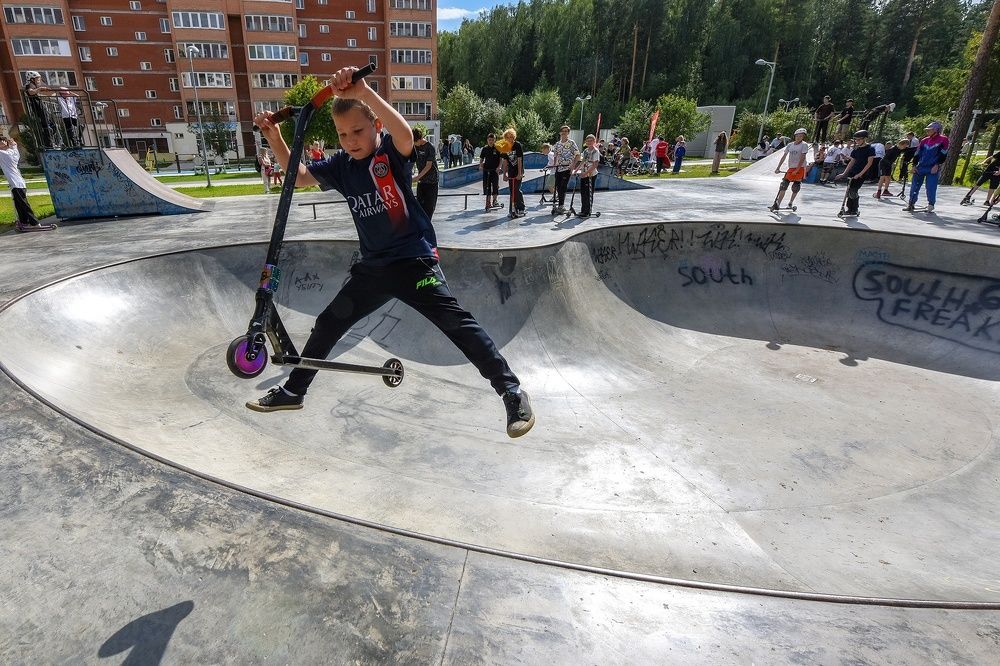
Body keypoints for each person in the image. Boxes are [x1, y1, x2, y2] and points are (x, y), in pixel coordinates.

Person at [246, 66, 534, 438]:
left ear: (375, 126)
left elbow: (404, 134)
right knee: (329, 323)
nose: (350, 141)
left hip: (414, 262)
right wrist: (274, 136)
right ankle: (294, 391)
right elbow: (297, 175)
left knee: (456, 324)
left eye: (358, 131)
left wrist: (364, 93)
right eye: (342, 134)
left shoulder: (389, 154)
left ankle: (511, 392)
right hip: (374, 270)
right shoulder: (342, 166)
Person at [0, 134, 56, 232]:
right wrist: (14, 145)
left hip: (16, 183)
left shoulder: (4, 154)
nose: (2, 142)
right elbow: (14, 148)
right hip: (18, 183)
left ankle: (35, 223)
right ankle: (24, 222)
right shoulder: (13, 152)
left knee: (23, 205)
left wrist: (11, 144)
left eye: (2, 141)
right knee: (19, 205)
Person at [904, 120, 949, 213]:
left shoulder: (943, 139)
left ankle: (931, 204)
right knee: (915, 186)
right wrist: (914, 165)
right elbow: (917, 153)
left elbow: (944, 154)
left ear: (936, 130)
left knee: (931, 187)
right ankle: (911, 203)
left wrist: (937, 165)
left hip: (932, 167)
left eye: (930, 129)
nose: (927, 131)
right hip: (921, 166)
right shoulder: (924, 140)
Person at [835, 130, 876, 217]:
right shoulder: (856, 149)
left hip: (862, 173)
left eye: (859, 139)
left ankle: (855, 209)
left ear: (864, 139)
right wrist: (844, 173)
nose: (857, 141)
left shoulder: (870, 149)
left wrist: (860, 174)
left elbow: (869, 163)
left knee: (853, 191)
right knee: (849, 190)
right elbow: (852, 162)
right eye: (856, 140)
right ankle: (849, 209)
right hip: (853, 172)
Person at [769, 128, 810, 211]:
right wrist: (778, 167)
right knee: (783, 185)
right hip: (791, 167)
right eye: (797, 136)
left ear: (803, 137)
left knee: (796, 186)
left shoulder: (804, 145)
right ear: (795, 136)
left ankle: (790, 202)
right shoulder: (790, 145)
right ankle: (778, 204)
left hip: (800, 168)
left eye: (801, 136)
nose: (799, 137)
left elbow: (802, 158)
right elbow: (784, 156)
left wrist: (797, 169)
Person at [551, 125, 580, 214]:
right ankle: (558, 204)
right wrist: (554, 165)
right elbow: (555, 155)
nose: (564, 133)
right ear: (560, 132)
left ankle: (561, 205)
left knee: (563, 186)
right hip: (558, 168)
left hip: (567, 168)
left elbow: (577, 155)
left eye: (566, 131)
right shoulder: (557, 144)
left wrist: (573, 166)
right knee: (558, 186)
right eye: (562, 131)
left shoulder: (571, 143)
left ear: (568, 133)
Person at [22, 71, 54, 149]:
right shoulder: (29, 85)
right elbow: (31, 92)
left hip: (39, 106)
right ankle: (49, 144)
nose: (39, 81)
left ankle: (50, 141)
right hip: (37, 107)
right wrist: (40, 88)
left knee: (50, 124)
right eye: (37, 79)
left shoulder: (33, 85)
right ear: (32, 79)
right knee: (46, 124)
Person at [412, 127, 439, 219]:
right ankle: (421, 225)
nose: (414, 144)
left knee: (429, 207)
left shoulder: (430, 147)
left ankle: (428, 224)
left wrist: (417, 177)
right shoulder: (414, 146)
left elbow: (428, 166)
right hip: (422, 181)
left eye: (415, 142)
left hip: (432, 181)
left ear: (420, 138)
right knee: (420, 206)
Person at [499, 128, 525, 218]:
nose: (509, 139)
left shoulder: (517, 145)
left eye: (511, 137)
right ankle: (512, 209)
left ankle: (521, 208)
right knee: (512, 191)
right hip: (511, 171)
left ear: (514, 137)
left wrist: (519, 173)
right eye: (507, 137)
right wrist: (504, 174)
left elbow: (519, 159)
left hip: (518, 170)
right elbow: (505, 161)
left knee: (516, 190)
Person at [577, 134, 600, 217]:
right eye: (587, 141)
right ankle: (583, 210)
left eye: (591, 141)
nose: (589, 142)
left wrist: (586, 173)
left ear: (594, 141)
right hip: (584, 173)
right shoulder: (586, 151)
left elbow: (595, 165)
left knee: (588, 193)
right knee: (583, 192)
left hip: (591, 174)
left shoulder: (595, 151)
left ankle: (587, 211)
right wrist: (576, 170)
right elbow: (583, 161)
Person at [478, 133, 502, 209]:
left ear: (495, 140)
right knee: (487, 186)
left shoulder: (498, 148)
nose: (491, 141)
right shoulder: (484, 149)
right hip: (486, 170)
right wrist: (480, 165)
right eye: (489, 140)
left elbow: (501, 159)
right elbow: (481, 159)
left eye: (492, 140)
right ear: (487, 140)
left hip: (494, 170)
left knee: (495, 186)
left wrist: (499, 167)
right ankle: (488, 202)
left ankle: (495, 201)